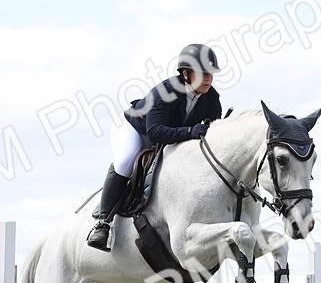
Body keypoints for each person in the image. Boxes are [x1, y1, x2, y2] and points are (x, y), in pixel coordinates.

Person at [87, 43, 224, 251]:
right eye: (203, 73)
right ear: (186, 74)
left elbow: (210, 130)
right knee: (125, 160)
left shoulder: (211, 97)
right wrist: (190, 132)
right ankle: (103, 223)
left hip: (167, 134)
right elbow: (156, 132)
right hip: (136, 129)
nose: (208, 78)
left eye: (211, 74)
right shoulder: (165, 92)